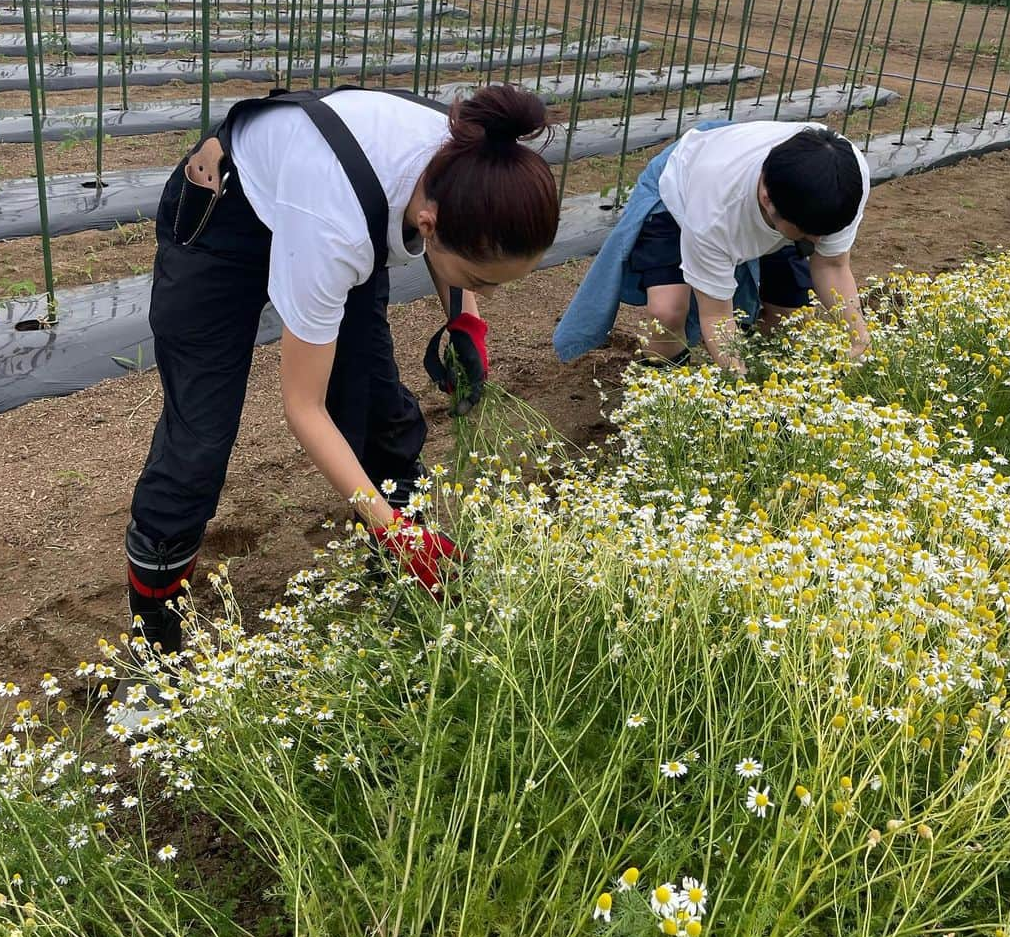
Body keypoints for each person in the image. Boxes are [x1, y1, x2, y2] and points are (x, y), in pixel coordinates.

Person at [113, 83, 559, 728]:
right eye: (482, 281)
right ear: (431, 224)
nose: (485, 291)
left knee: (379, 408)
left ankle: (402, 584)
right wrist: (391, 526)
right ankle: (153, 649)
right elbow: (303, 409)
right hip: (224, 223)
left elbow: (454, 243)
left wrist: (466, 319)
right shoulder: (336, 233)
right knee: (199, 441)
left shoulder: (470, 157)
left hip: (324, 200)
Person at [553, 120, 871, 374]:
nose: (816, 243)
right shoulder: (713, 211)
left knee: (790, 314)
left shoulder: (842, 177)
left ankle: (766, 370)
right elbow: (717, 316)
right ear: (766, 201)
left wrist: (858, 332)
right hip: (683, 180)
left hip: (750, 168)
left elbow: (832, 265)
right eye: (808, 235)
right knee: (668, 311)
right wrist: (740, 387)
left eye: (825, 234)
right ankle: (662, 395)